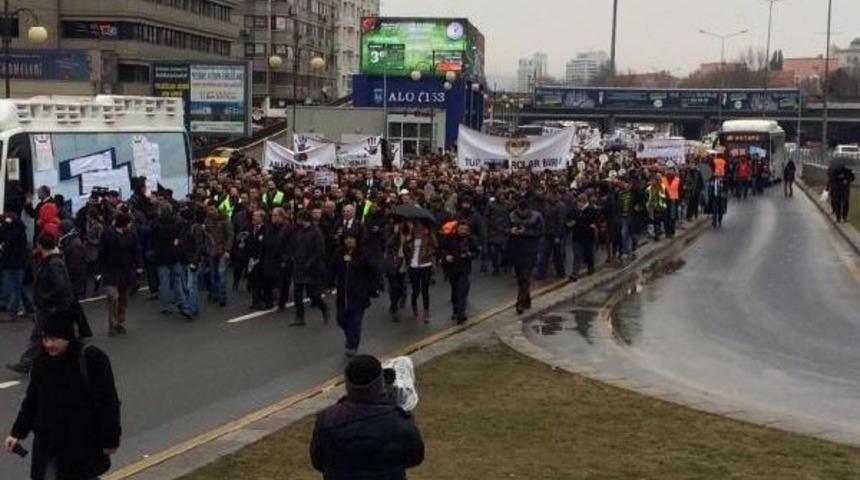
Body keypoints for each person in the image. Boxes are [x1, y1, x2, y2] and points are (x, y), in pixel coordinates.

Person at [5, 310, 121, 480]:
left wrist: (111, 439)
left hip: (81, 444)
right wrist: (17, 433)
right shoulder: (40, 363)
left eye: (54, 339)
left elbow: (108, 402)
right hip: (48, 445)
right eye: (45, 339)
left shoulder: (91, 358)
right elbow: (32, 401)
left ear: (67, 337)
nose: (48, 344)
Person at [310, 355, 424, 479]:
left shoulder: (327, 420)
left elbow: (318, 461)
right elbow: (415, 457)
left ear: (348, 384)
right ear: (380, 383)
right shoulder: (398, 420)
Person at [8, 234, 91, 374]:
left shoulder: (53, 263)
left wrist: (45, 299)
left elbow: (60, 286)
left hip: (50, 307)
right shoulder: (54, 260)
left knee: (40, 334)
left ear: (40, 245)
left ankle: (27, 363)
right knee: (53, 335)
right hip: (54, 307)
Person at [334, 232, 381, 356]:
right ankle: (350, 336)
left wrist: (375, 287)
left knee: (355, 322)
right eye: (347, 238)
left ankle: (352, 345)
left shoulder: (364, 254)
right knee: (341, 320)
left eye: (352, 238)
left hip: (359, 294)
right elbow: (333, 269)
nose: (349, 241)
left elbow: (374, 270)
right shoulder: (339, 253)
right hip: (343, 294)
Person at [100, 213, 141, 336]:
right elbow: (102, 251)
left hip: (125, 270)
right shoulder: (108, 234)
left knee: (122, 299)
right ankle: (113, 324)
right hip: (110, 270)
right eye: (129, 223)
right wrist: (99, 269)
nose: (130, 225)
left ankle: (120, 323)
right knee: (113, 297)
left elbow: (136, 250)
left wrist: (139, 265)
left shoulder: (131, 235)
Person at [290, 210, 330, 327]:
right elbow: (296, 245)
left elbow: (320, 251)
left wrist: (310, 263)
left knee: (313, 295)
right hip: (299, 266)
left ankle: (323, 308)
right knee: (297, 294)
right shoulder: (299, 231)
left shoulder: (316, 232)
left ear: (303, 219)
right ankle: (299, 317)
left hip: (312, 268)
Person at [507, 200, 544, 315]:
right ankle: (526, 299)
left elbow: (541, 231)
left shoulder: (537, 217)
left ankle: (520, 303)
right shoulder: (511, 215)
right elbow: (504, 227)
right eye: (519, 210)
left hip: (530, 250)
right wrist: (510, 230)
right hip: (516, 249)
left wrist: (526, 232)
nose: (521, 213)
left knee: (525, 277)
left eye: (524, 210)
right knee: (520, 278)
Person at [152, 207, 190, 319]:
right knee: (178, 282)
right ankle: (183, 305)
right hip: (174, 256)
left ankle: (165, 306)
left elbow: (152, 237)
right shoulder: (177, 225)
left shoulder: (156, 225)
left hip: (161, 256)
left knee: (164, 283)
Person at [441, 222, 480, 324]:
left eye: (465, 230)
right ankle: (455, 310)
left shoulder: (471, 239)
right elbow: (442, 249)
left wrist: (469, 255)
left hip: (464, 268)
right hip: (452, 268)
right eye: (461, 229)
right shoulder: (450, 238)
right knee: (455, 290)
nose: (463, 231)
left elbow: (476, 252)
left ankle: (461, 313)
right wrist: (446, 256)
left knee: (462, 290)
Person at [0, 212, 34, 322]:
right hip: (18, 262)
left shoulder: (14, 232)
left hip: (12, 262)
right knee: (18, 286)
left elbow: (4, 237)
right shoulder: (20, 230)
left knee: (13, 288)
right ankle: (28, 307)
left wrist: (5, 225)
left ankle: (12, 313)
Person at [404, 221, 437, 324]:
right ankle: (414, 303)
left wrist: (430, 234)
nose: (419, 229)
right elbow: (405, 250)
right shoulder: (411, 238)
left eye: (421, 227)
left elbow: (435, 246)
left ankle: (426, 312)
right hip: (413, 266)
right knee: (416, 289)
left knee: (425, 289)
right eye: (417, 227)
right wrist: (407, 241)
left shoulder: (428, 236)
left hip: (425, 265)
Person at [204, 205, 233, 308]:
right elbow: (206, 236)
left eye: (212, 209)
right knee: (213, 274)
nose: (210, 211)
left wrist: (227, 250)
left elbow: (230, 235)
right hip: (211, 251)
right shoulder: (207, 220)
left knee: (221, 274)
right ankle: (214, 294)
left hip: (222, 251)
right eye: (209, 209)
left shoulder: (224, 219)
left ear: (217, 209)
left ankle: (222, 297)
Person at [567, 194, 598, 282]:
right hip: (577, 236)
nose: (578, 204)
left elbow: (591, 222)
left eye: (579, 202)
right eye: (578, 202)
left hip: (588, 237)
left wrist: (578, 222)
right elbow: (571, 220)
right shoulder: (576, 211)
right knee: (577, 255)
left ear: (584, 202)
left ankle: (590, 267)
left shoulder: (591, 210)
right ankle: (574, 273)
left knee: (588, 254)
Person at [384, 220, 409, 322]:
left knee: (400, 287)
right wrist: (395, 233)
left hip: (403, 262)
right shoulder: (390, 229)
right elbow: (388, 245)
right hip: (393, 262)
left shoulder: (408, 232)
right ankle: (394, 308)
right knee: (394, 286)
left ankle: (397, 301)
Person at [58, 220, 88, 299]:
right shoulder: (69, 241)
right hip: (73, 279)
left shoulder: (73, 243)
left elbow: (75, 265)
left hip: (74, 280)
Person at [84, 208, 105, 296]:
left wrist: (90, 240)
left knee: (96, 271)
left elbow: (100, 240)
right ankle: (96, 286)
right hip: (89, 250)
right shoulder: (88, 224)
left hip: (95, 250)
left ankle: (97, 287)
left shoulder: (98, 226)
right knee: (92, 271)